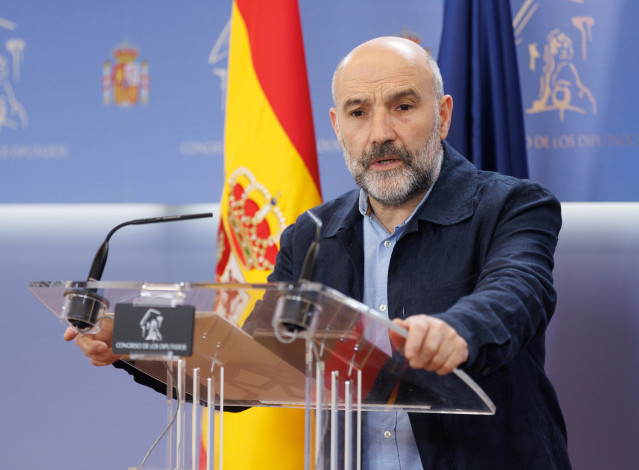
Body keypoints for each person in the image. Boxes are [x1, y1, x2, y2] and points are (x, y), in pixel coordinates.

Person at [65, 36, 571, 469]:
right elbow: (251, 362)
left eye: (403, 106)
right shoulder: (309, 235)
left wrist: (456, 331)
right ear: (337, 125)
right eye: (358, 112)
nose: (379, 133)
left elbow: (517, 292)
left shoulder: (514, 206)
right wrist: (130, 340)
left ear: (442, 116)